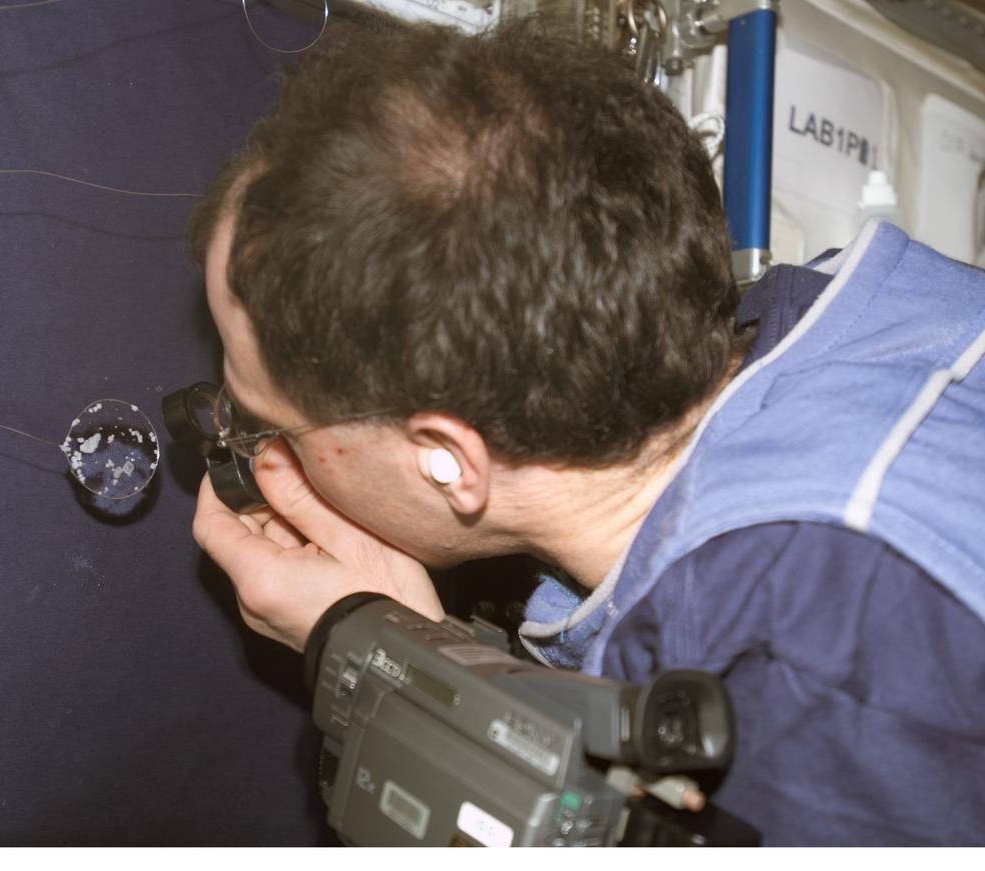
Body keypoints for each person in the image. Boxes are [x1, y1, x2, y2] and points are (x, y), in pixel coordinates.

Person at [186, 19, 985, 846]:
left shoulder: (787, 675)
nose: (260, 449)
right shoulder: (854, 306)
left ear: (450, 462)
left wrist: (378, 655)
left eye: (274, 424)